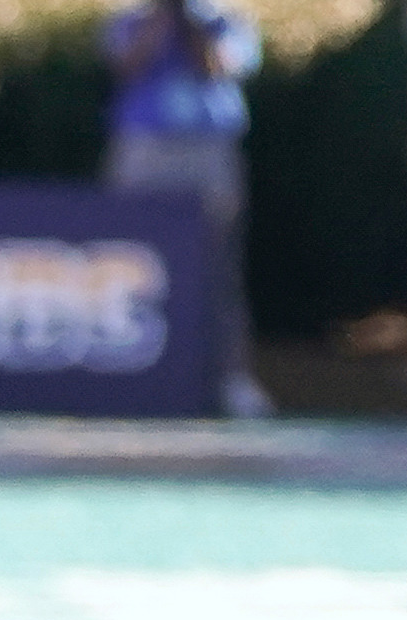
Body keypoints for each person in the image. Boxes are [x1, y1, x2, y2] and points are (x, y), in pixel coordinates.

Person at [100, 0, 270, 417]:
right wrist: (163, 17)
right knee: (131, 260)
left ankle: (230, 380)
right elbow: (128, 64)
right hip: (144, 146)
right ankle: (126, 379)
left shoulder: (225, 22)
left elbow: (217, 66)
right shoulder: (132, 20)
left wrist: (191, 22)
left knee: (218, 268)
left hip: (208, 148)